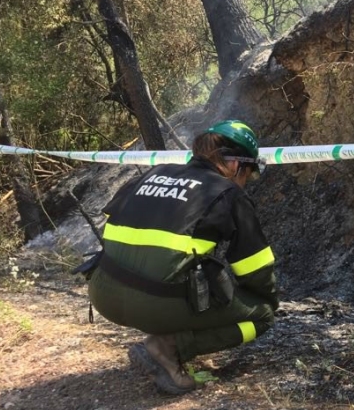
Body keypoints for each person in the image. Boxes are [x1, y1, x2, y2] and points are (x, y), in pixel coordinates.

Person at [87, 120, 278, 395]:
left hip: (103, 293)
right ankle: (169, 347)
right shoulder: (227, 193)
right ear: (236, 165)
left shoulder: (151, 174)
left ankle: (167, 337)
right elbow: (255, 266)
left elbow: (112, 226)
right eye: (248, 174)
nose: (245, 183)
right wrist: (266, 299)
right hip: (150, 304)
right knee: (262, 315)